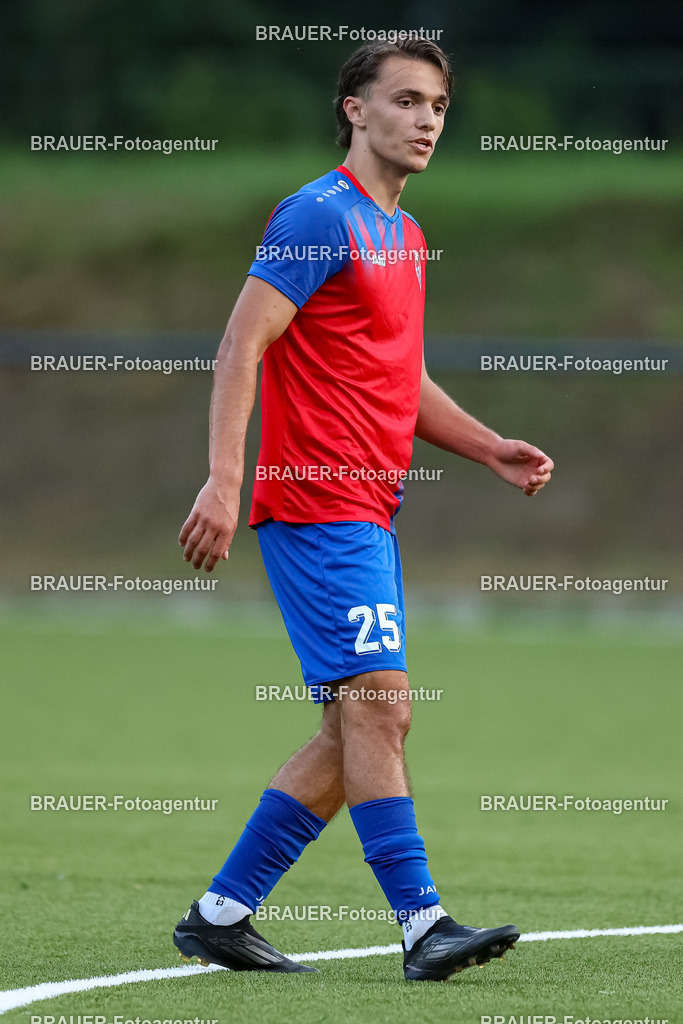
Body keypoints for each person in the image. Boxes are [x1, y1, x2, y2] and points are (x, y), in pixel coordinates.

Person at [174, 37, 553, 982]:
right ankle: (423, 925)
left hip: (368, 510)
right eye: (406, 100)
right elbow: (239, 346)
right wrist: (225, 479)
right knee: (379, 712)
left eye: (437, 105)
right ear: (355, 108)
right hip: (313, 504)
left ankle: (221, 913)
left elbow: (402, 378)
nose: (426, 119)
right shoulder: (316, 215)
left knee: (358, 728)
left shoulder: (407, 236)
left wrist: (486, 446)